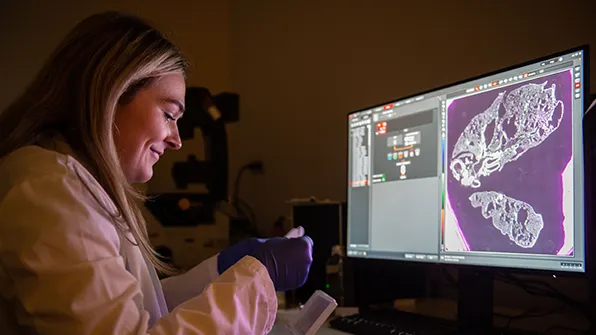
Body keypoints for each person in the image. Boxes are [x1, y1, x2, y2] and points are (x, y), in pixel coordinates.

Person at [0, 11, 313, 334]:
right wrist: (258, 278)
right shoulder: (51, 192)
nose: (177, 140)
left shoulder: (63, 184)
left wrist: (222, 272)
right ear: (112, 92)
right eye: (168, 114)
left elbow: (136, 311)